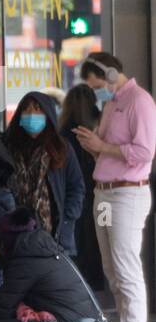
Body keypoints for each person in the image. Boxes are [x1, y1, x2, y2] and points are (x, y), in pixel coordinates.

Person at [73, 52, 156, 322]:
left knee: (125, 265)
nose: (96, 91)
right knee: (112, 267)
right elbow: (109, 149)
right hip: (104, 192)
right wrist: (95, 146)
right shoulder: (111, 105)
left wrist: (102, 147)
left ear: (109, 74)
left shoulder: (139, 101)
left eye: (96, 84)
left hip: (127, 193)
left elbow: (145, 151)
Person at [0, 92, 84, 255]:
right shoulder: (6, 147)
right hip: (14, 233)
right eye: (26, 109)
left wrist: (67, 219)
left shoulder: (61, 148)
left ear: (48, 114)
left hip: (54, 237)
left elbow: (76, 187)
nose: (31, 115)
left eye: (37, 109)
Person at [59, 82, 106, 288]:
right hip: (100, 192)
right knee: (97, 241)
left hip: (74, 196)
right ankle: (97, 284)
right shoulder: (99, 125)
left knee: (75, 240)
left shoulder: (63, 131)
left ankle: (79, 285)